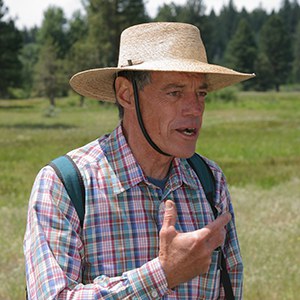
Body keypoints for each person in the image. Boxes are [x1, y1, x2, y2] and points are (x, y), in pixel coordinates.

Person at [24, 22, 254, 299]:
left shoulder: (209, 180)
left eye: (201, 93)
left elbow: (231, 289)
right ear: (126, 94)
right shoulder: (65, 185)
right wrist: (163, 275)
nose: (195, 108)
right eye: (175, 92)